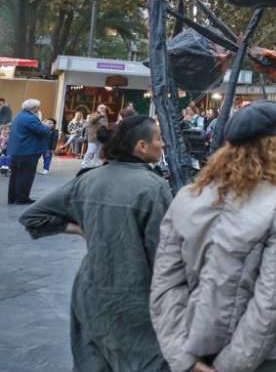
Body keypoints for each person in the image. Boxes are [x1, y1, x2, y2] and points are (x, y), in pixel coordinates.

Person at [150, 100, 276, 371]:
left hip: (198, 349)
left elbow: (165, 287)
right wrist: (231, 365)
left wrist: (184, 359)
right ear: (271, 145)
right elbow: (272, 302)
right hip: (266, 358)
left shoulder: (186, 198)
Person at [21, 115, 172, 371]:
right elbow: (164, 254)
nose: (163, 144)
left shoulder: (89, 179)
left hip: (90, 291)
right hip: (135, 300)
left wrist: (81, 229)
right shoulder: (154, 188)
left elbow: (33, 217)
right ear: (141, 147)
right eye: (158, 139)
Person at [7, 99, 51, 204]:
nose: (38, 110)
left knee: (15, 176)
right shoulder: (31, 118)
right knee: (26, 176)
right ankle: (22, 198)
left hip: (16, 151)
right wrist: (46, 125)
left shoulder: (18, 116)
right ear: (34, 108)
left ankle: (12, 198)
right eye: (38, 108)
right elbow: (43, 131)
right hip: (28, 152)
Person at [81, 104, 109, 169]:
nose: (103, 109)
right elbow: (92, 121)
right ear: (98, 108)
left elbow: (106, 125)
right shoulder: (94, 114)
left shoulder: (105, 116)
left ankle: (95, 163)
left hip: (101, 136)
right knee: (91, 151)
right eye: (101, 108)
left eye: (104, 108)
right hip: (93, 136)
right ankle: (84, 163)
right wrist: (99, 116)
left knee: (98, 151)